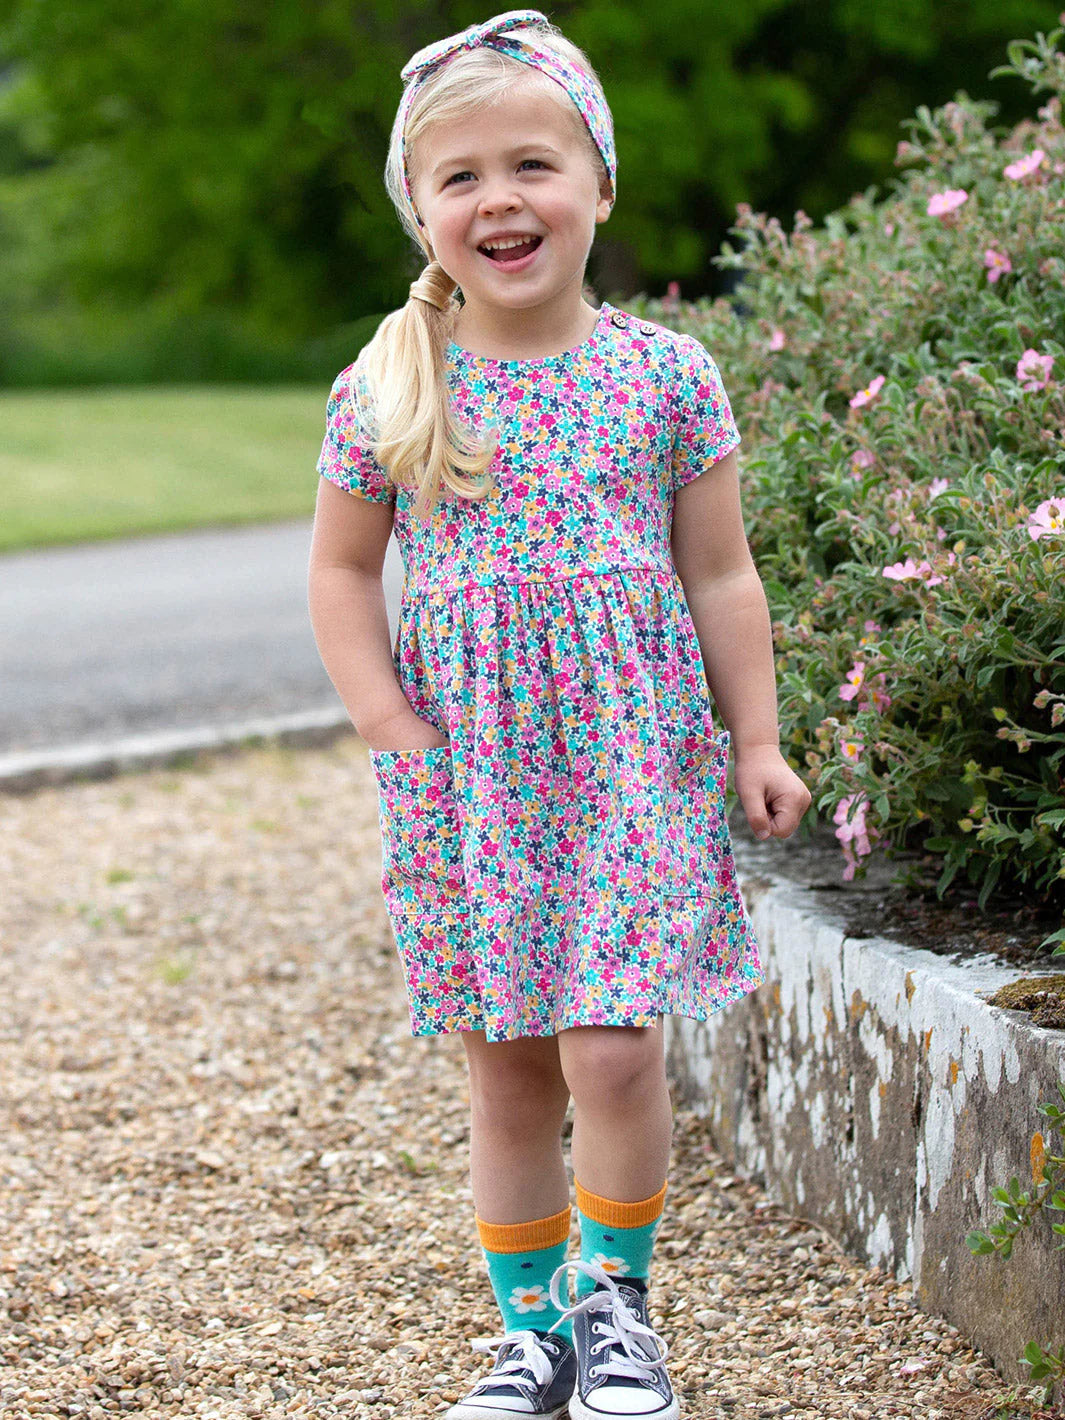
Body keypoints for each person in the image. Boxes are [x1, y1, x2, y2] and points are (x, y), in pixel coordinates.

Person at [307, 10, 811, 1418]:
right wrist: (394, 731)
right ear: (420, 209)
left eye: (532, 164)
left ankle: (616, 1309)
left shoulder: (665, 376)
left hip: (632, 761)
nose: (500, 200)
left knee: (615, 1048)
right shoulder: (391, 385)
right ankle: (530, 1336)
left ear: (597, 182)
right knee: (513, 1069)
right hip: (469, 776)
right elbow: (341, 575)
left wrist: (757, 739)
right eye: (459, 177)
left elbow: (720, 573)